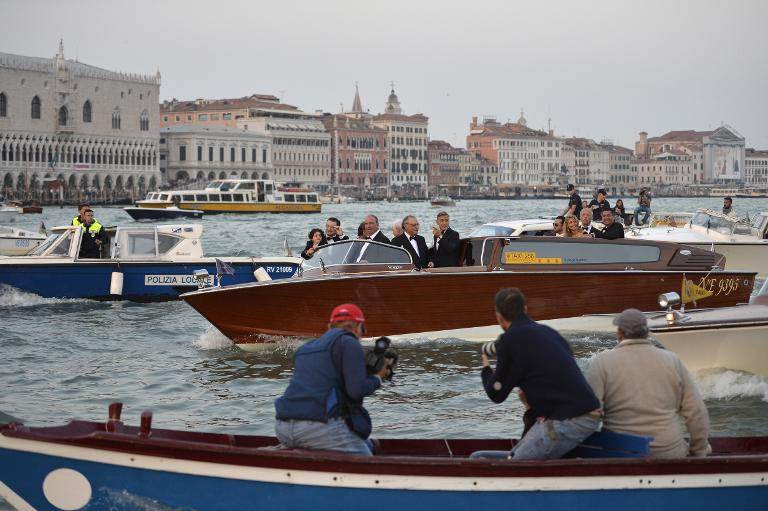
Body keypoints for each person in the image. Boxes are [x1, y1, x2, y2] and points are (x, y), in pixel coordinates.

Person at [471, 288, 602, 460]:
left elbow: (496, 394)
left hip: (571, 419)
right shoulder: (549, 332)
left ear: (498, 317)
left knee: (515, 464)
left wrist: (486, 368)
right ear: (525, 309)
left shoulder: (510, 341)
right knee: (514, 456)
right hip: (584, 412)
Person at [586, 309, 710, 458]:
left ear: (619, 333)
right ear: (647, 332)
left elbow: (590, 414)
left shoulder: (602, 362)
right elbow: (696, 412)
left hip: (621, 453)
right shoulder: (672, 360)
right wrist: (699, 451)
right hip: (668, 452)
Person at [274, 304, 393, 456]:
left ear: (329, 326)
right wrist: (378, 378)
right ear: (359, 327)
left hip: (283, 427)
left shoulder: (306, 348)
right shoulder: (349, 342)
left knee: (366, 444)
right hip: (317, 429)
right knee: (367, 461)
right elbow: (356, 391)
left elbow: (327, 381)